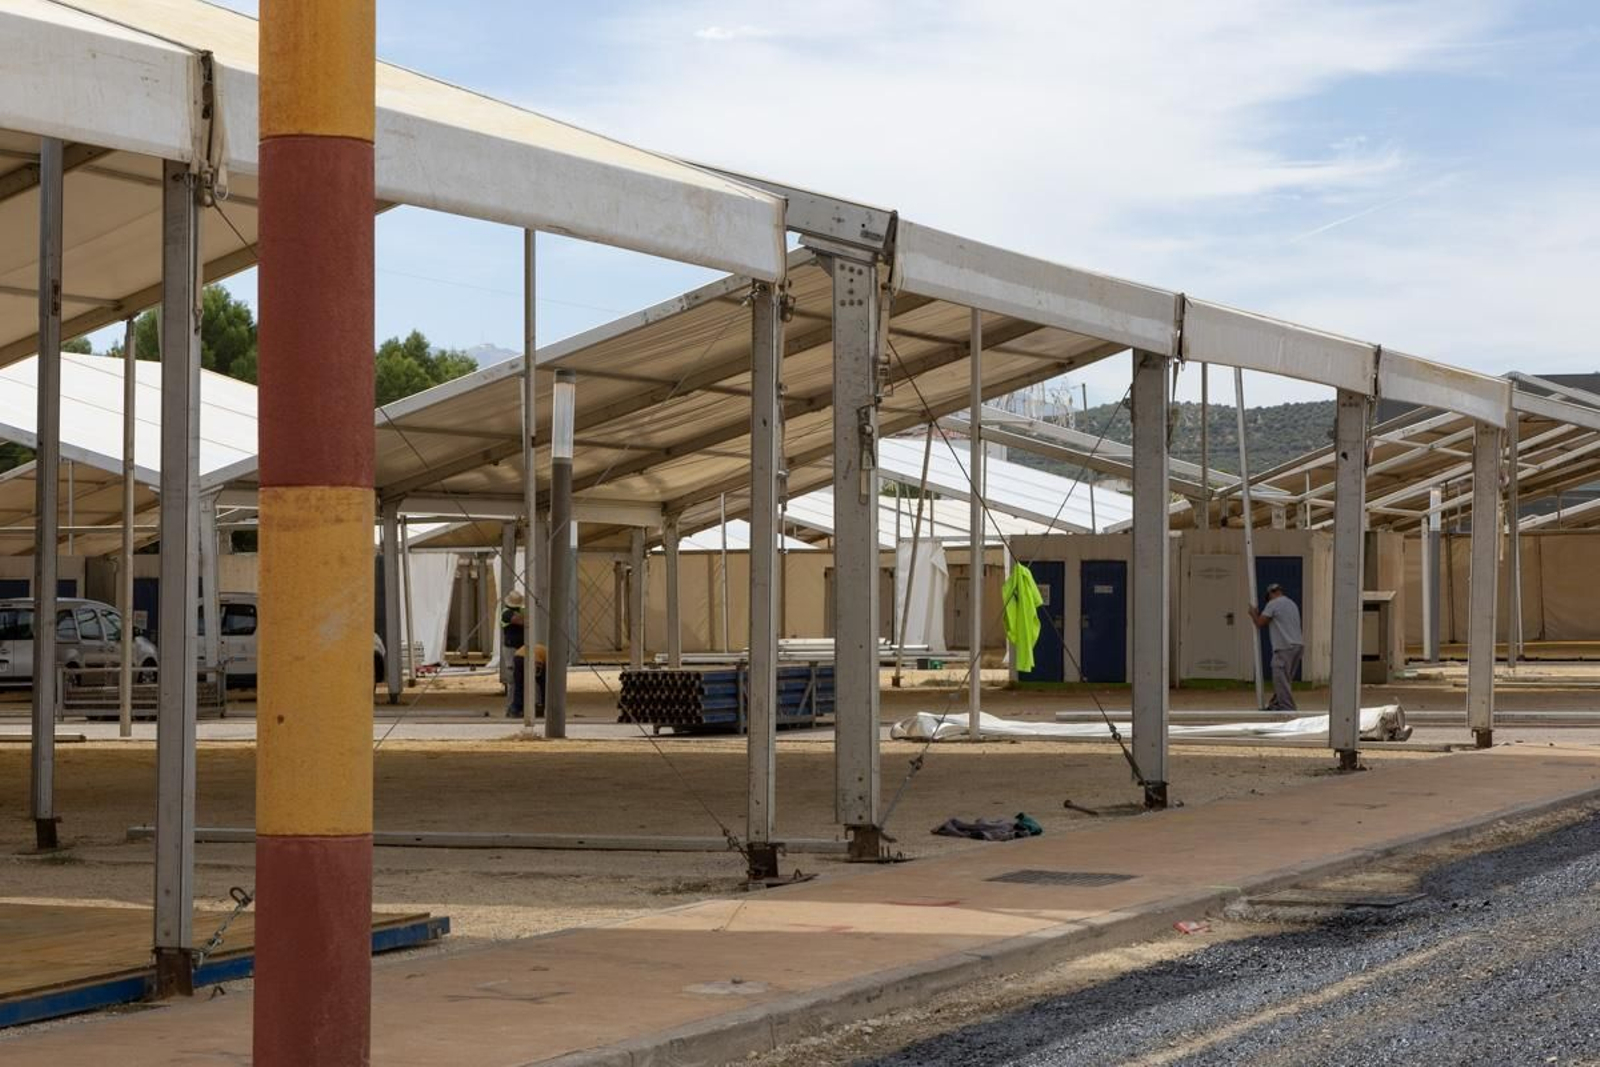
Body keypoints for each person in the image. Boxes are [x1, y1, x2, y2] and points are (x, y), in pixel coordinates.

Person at [1248, 583, 1303, 712]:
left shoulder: (1273, 603)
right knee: (1285, 680)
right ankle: (1276, 704)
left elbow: (1260, 622)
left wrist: (1253, 613)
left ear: (1270, 594)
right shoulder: (1291, 603)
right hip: (1297, 646)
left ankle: (1287, 708)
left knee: (1280, 679)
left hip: (1285, 646)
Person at [501, 592, 526, 717]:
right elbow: (521, 621)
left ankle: (519, 705)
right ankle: (511, 706)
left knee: (521, 678)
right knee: (513, 679)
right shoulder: (506, 613)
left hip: (521, 649)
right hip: (511, 649)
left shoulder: (519, 611)